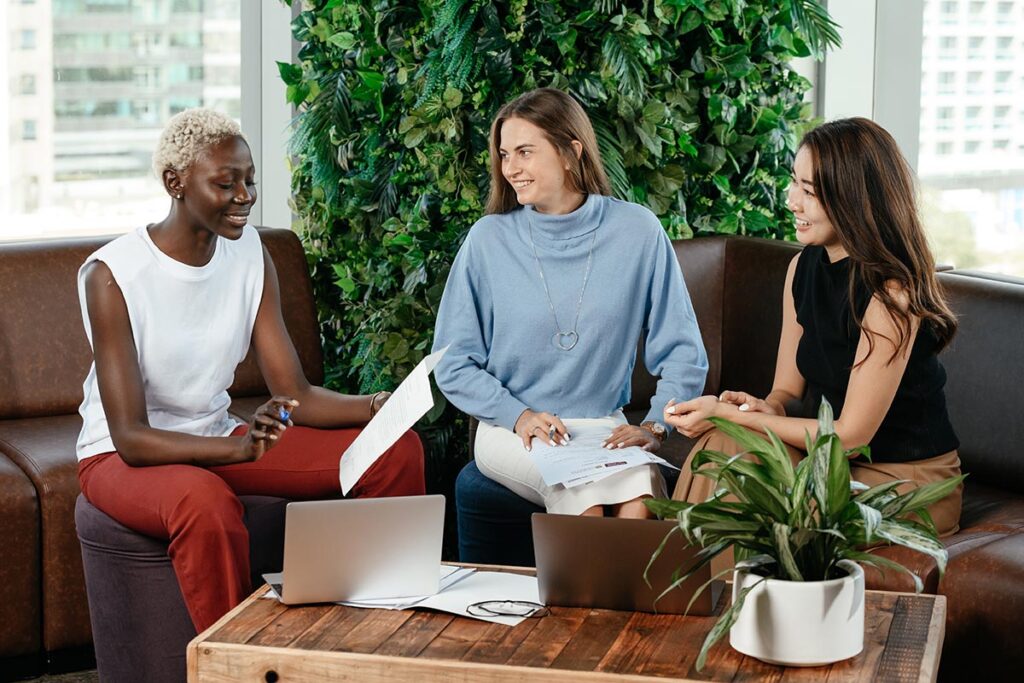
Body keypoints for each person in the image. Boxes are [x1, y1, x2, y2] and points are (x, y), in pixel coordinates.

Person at [75, 108, 425, 633]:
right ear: (175, 183)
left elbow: (294, 392)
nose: (245, 196)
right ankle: (237, 661)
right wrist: (237, 448)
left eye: (250, 180)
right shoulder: (112, 274)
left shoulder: (249, 254)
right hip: (123, 457)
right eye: (226, 182)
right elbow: (130, 437)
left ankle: (379, 632)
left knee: (393, 451)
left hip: (218, 436)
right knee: (205, 503)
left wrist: (381, 407)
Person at [667, 117, 962, 535]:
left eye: (809, 192)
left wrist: (733, 418)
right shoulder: (801, 269)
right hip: (832, 464)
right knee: (723, 447)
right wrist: (758, 408)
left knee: (750, 476)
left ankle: (713, 597)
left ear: (853, 199)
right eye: (794, 184)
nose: (792, 202)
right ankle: (684, 594)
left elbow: (850, 436)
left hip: (902, 479)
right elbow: (787, 392)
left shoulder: (889, 294)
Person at [432, 88, 708, 518]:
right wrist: (518, 414)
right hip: (513, 429)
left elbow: (683, 352)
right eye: (505, 155)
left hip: (602, 424)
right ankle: (590, 588)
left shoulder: (638, 232)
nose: (511, 169)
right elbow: (452, 361)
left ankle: (609, 590)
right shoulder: (488, 240)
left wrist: (655, 426)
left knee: (641, 500)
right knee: (588, 503)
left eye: (524, 152)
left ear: (570, 151)